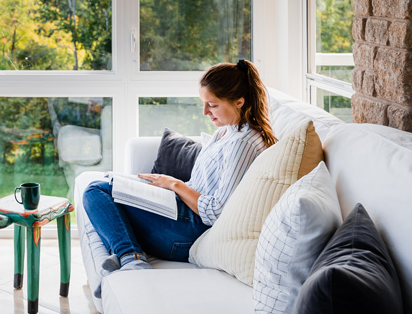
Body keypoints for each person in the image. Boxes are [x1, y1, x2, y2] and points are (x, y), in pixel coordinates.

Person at [83, 59, 277, 297]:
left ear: (239, 101)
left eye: (212, 105)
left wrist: (175, 184)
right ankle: (126, 253)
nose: (205, 112)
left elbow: (217, 212)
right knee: (108, 184)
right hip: (181, 210)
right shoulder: (227, 131)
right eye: (204, 103)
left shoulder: (244, 144)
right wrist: (167, 188)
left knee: (96, 191)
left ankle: (131, 259)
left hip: (191, 228)